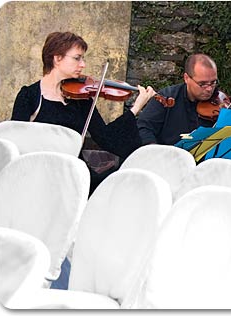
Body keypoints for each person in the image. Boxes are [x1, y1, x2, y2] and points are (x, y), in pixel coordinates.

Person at [10, 31, 156, 290]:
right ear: (56, 58)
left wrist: (136, 108)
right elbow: (16, 140)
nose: (83, 65)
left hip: (74, 179)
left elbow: (110, 140)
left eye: (83, 58)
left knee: (112, 187)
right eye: (77, 58)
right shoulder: (30, 96)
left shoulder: (82, 99)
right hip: (38, 181)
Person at [137, 53, 221, 145]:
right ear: (186, 78)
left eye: (213, 82)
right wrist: (156, 152)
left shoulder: (218, 101)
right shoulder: (166, 98)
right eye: (202, 84)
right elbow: (144, 128)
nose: (209, 89)